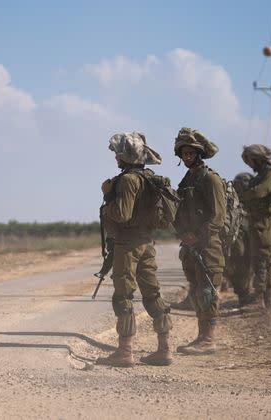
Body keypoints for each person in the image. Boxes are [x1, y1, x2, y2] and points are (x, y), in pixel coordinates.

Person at [97, 132, 173, 367]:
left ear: (126, 156)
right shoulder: (149, 178)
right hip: (147, 244)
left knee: (123, 296)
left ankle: (125, 351)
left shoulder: (129, 180)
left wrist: (107, 197)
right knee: (152, 294)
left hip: (128, 245)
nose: (116, 157)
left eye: (118, 153)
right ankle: (164, 349)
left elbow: (122, 214)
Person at [173, 128, 226, 356]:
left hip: (208, 248)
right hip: (191, 248)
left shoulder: (210, 179)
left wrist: (198, 236)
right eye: (183, 152)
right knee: (196, 292)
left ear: (199, 153)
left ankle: (209, 340)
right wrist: (184, 235)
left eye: (191, 152)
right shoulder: (188, 179)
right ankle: (201, 337)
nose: (187, 156)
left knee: (207, 292)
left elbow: (218, 217)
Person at [239, 144, 271, 309]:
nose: (249, 165)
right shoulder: (263, 174)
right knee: (260, 259)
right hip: (257, 221)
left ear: (257, 158)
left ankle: (259, 299)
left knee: (261, 260)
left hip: (264, 223)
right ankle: (267, 298)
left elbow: (259, 192)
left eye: (249, 161)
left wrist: (241, 196)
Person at [225, 172, 253, 306]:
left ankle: (245, 296)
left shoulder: (253, 199)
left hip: (248, 237)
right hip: (237, 237)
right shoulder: (232, 199)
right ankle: (243, 296)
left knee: (244, 267)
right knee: (236, 267)